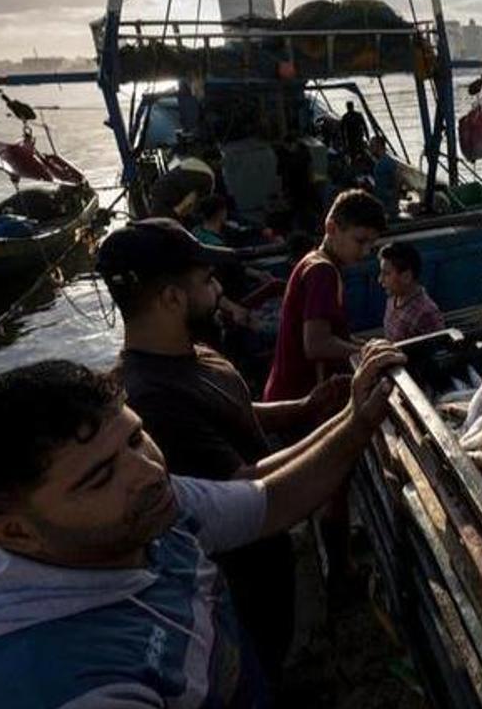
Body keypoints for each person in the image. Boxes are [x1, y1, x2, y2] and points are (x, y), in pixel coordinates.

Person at [0, 344, 404, 708]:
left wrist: (356, 420)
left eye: (136, 438)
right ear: (15, 533)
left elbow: (269, 500)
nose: (149, 472)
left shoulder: (144, 512)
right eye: (101, 476)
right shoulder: (64, 685)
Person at [95, 217, 347, 682]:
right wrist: (352, 427)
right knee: (257, 675)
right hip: (234, 593)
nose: (218, 292)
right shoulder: (149, 400)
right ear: (172, 298)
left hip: (269, 564)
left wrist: (302, 407)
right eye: (207, 281)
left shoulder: (194, 355)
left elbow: (232, 407)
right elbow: (247, 487)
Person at [264, 189, 385, 593]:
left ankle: (334, 564)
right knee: (332, 485)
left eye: (371, 243)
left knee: (324, 486)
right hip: (303, 398)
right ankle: (341, 574)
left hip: (288, 392)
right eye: (359, 241)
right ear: (332, 229)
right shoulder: (322, 272)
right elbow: (314, 344)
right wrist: (363, 351)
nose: (365, 252)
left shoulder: (310, 263)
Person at [379, 241, 445, 342]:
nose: (380, 279)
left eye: (386, 274)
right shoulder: (393, 297)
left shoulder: (426, 314)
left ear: (406, 276)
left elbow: (435, 351)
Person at [369, 135, 398, 216]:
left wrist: (394, 201)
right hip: (380, 199)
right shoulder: (379, 162)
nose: (370, 148)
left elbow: (396, 180)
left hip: (387, 202)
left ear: (379, 146)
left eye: (372, 146)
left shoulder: (388, 162)